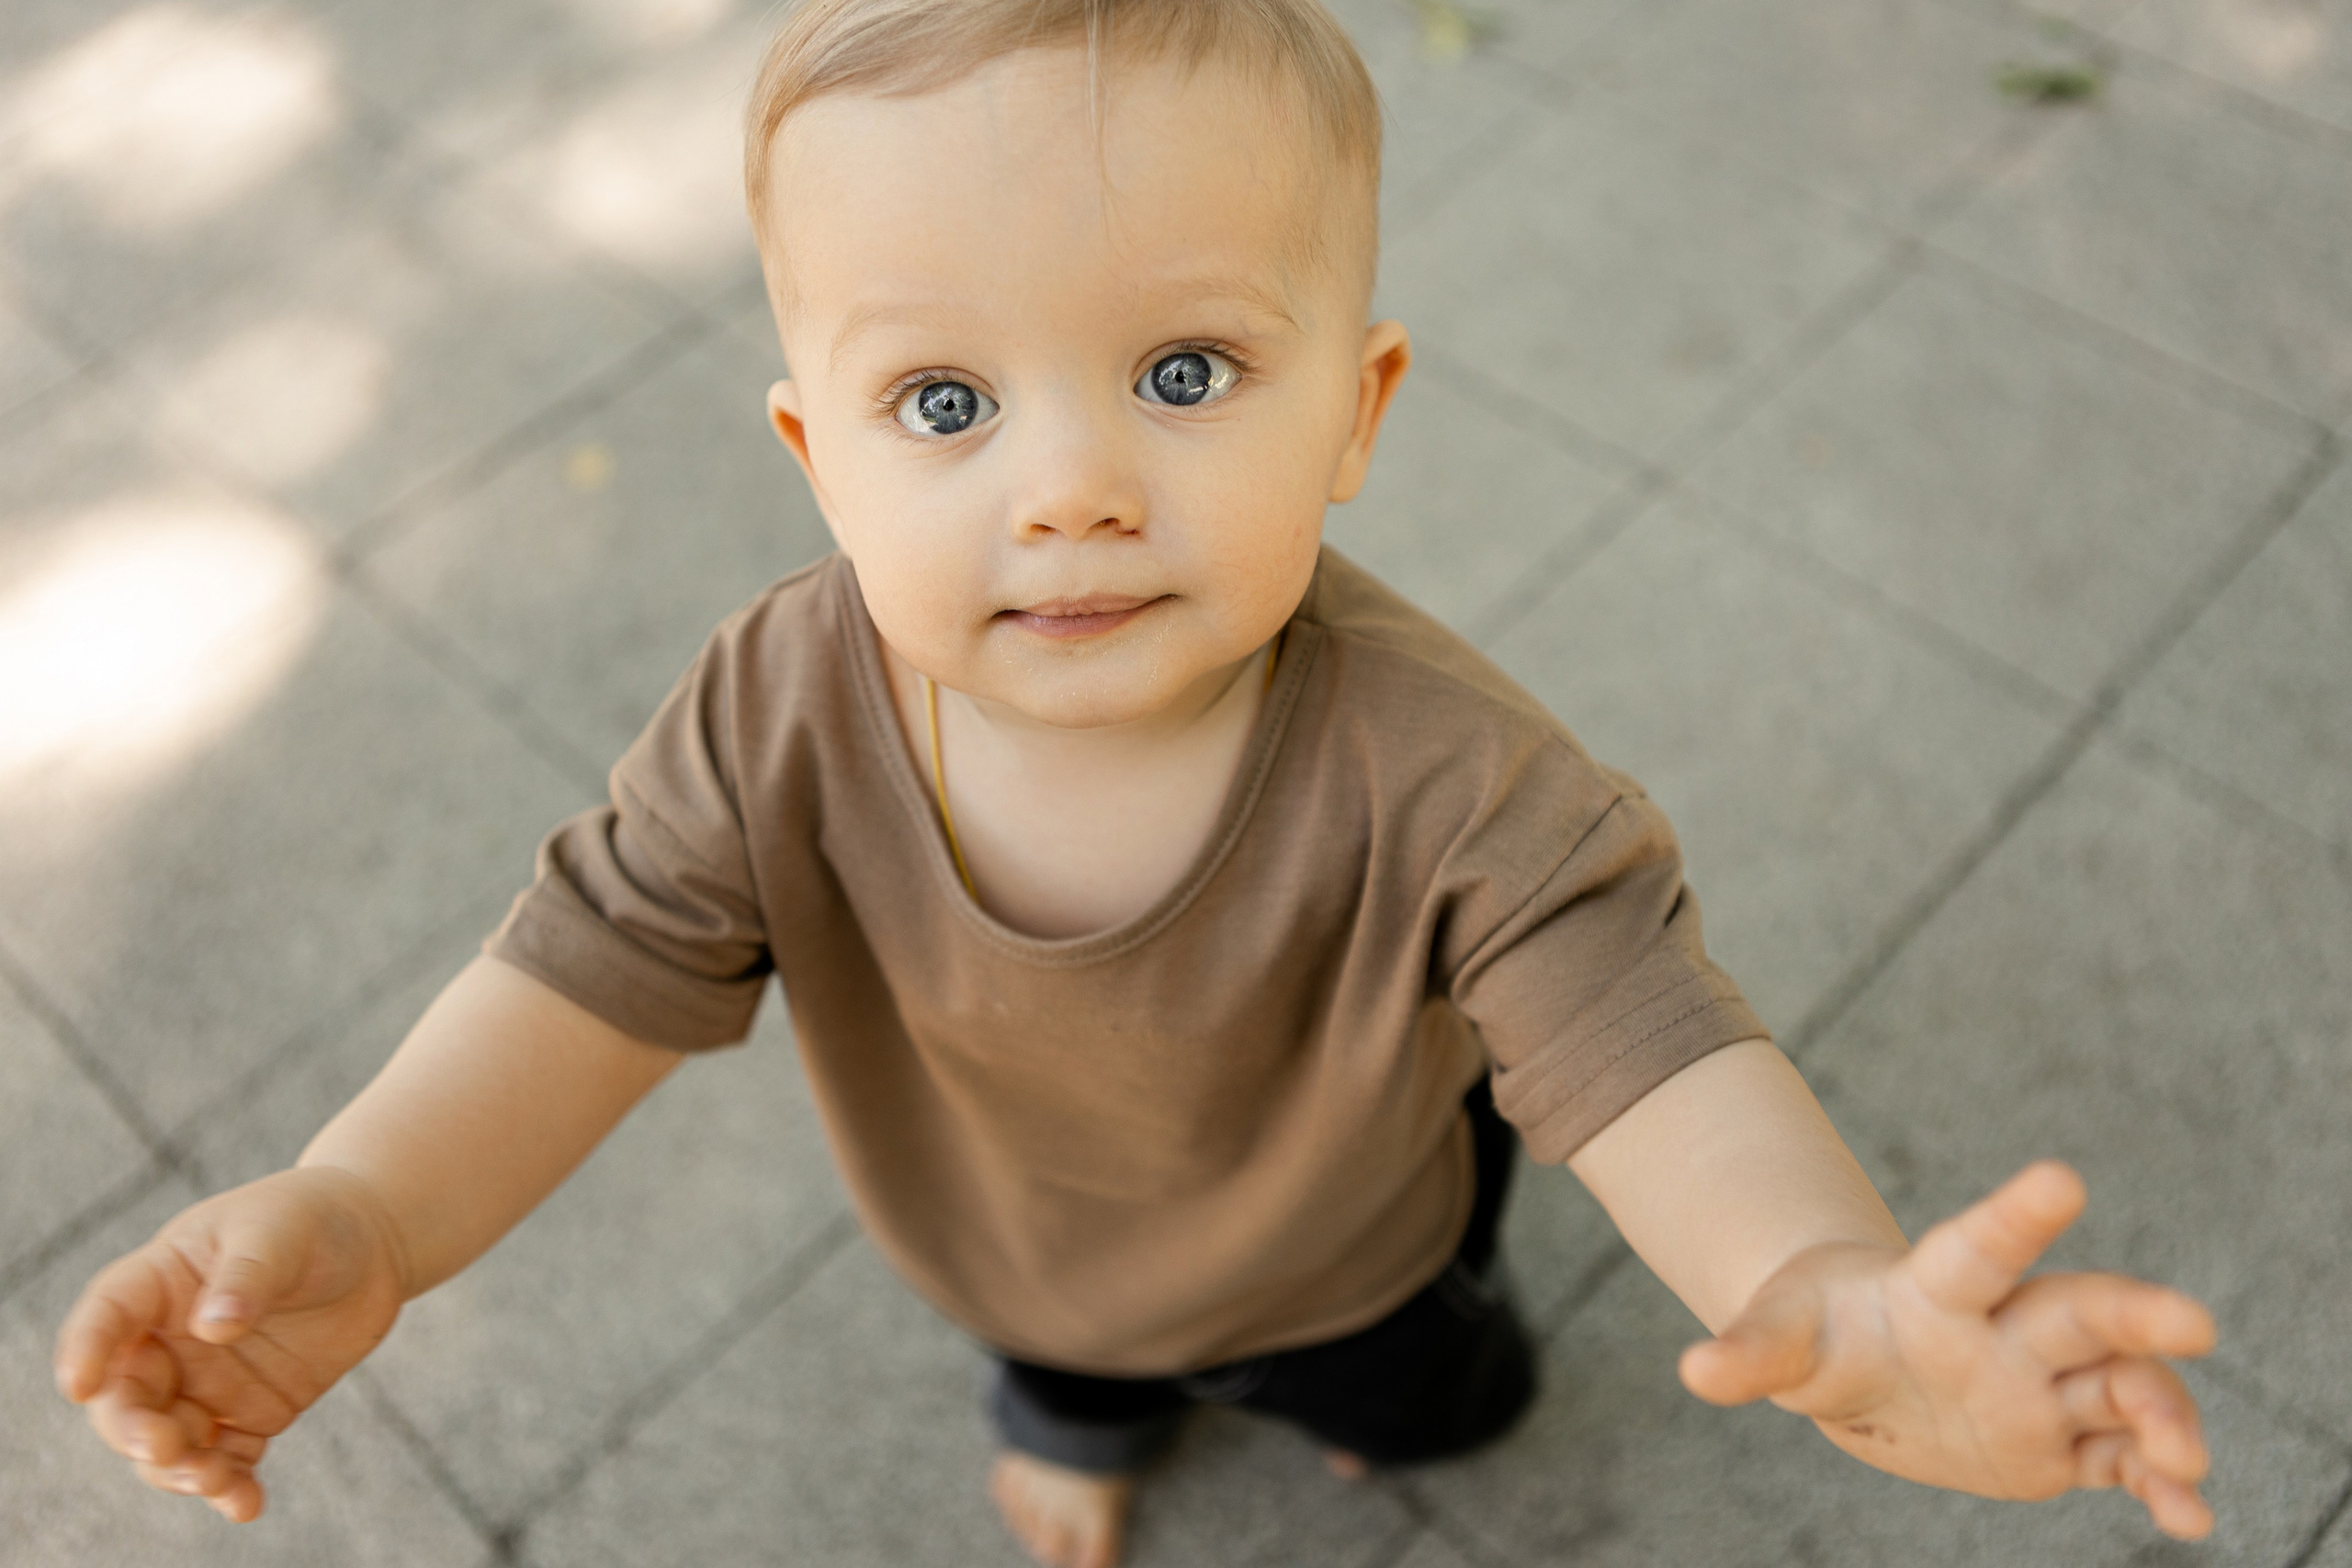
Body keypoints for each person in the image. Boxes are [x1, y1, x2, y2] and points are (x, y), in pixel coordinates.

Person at [51, 3, 2221, 1565]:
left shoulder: (1444, 769)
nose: (1074, 484)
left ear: (1352, 411)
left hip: (1353, 1254)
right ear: (812, 452)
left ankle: (1378, 1408)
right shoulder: (777, 704)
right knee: (1063, 1372)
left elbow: (1641, 1037)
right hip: (1004, 1248)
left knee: (1437, 1399)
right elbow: (585, 971)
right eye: (941, 397)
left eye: (1184, 372)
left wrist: (1824, 1290)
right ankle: (1074, 1420)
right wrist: (369, 1211)